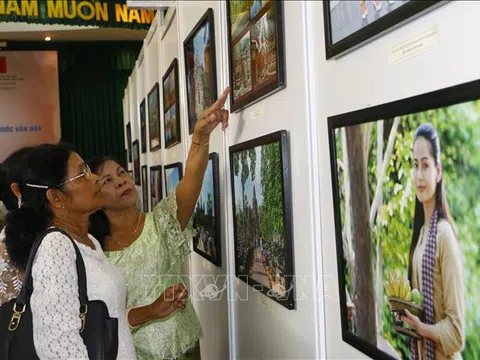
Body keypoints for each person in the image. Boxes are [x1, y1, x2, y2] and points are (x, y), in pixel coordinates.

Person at [3, 143, 188, 359]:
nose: (95, 179)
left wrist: (151, 311)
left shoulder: (88, 240)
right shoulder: (56, 246)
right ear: (56, 198)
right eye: (82, 173)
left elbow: (98, 322)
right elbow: (58, 346)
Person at [88, 87, 231, 360]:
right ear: (96, 195)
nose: (120, 180)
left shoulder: (162, 222)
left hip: (185, 347)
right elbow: (100, 318)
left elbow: (192, 178)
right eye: (107, 180)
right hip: (135, 354)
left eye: (121, 173)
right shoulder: (94, 250)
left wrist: (200, 136)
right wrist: (151, 311)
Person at [401, 123, 465, 359]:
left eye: (425, 165)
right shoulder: (421, 234)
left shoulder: (444, 236)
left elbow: (457, 333)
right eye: (415, 165)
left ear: (438, 172)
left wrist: (421, 328)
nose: (419, 174)